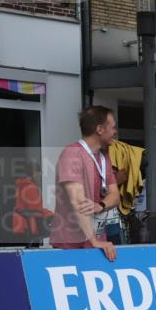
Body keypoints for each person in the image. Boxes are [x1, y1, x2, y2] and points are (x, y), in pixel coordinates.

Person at [50, 105, 121, 261]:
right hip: (71, 243)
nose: (115, 132)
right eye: (113, 127)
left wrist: (100, 205)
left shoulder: (104, 156)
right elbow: (78, 203)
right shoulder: (72, 154)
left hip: (97, 241)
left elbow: (115, 195)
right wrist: (94, 241)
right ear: (100, 129)